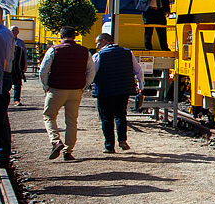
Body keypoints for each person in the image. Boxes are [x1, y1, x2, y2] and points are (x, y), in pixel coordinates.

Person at [39, 27, 94, 161]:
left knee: (49, 116)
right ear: (74, 36)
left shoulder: (54, 50)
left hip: (56, 89)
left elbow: (43, 71)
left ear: (60, 36)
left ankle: (55, 141)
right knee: (71, 121)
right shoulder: (84, 51)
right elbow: (91, 71)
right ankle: (68, 150)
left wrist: (46, 87)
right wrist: (84, 86)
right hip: (75, 90)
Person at [91, 33, 142, 154]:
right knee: (121, 115)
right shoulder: (127, 53)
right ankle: (122, 140)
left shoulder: (99, 55)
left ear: (103, 41)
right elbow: (138, 69)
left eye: (97, 43)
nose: (97, 46)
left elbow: (92, 72)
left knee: (107, 118)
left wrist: (86, 85)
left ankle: (109, 146)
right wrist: (141, 85)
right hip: (123, 90)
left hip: (105, 91)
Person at [0, 7, 12, 170]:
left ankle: (2, 154)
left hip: (0, 77)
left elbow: (4, 61)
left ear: (0, 16)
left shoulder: (2, 34)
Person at [10, 27, 27, 105]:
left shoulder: (20, 42)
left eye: (15, 30)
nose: (14, 32)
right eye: (12, 30)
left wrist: (25, 65)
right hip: (8, 65)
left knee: (18, 83)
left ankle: (16, 100)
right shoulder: (6, 40)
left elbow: (24, 54)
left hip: (17, 65)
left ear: (18, 32)